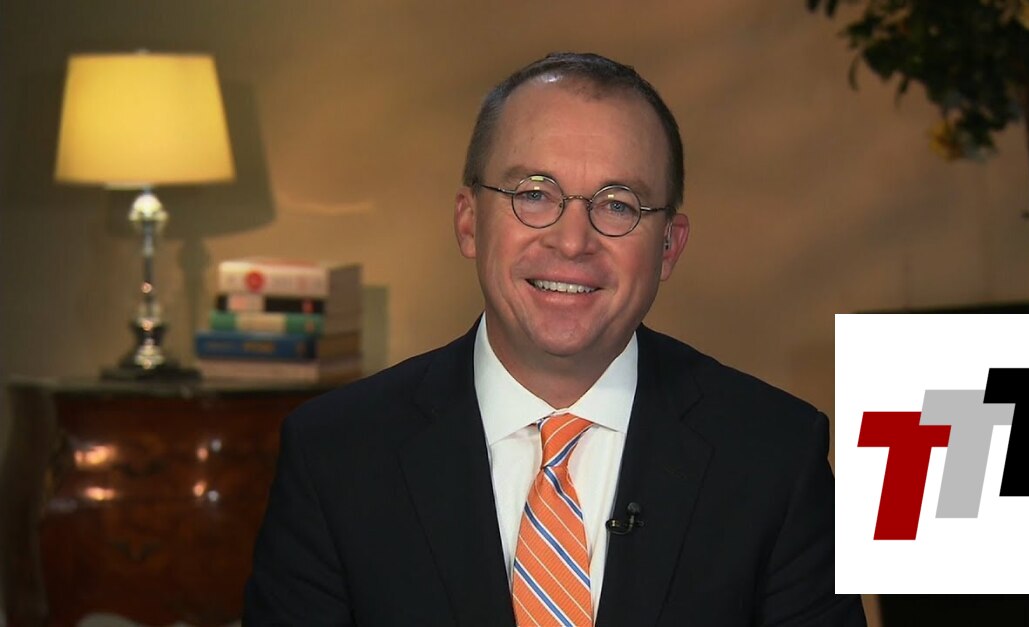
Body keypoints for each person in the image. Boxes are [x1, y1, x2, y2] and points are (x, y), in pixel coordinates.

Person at [243, 52, 866, 626]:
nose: (572, 242)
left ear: (669, 246)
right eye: (534, 195)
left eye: (618, 205)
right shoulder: (335, 457)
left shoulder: (776, 456)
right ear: (469, 222)